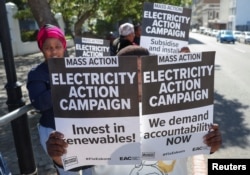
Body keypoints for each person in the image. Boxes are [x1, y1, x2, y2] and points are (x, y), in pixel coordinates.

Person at [46, 45, 222, 175]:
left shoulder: (180, 106)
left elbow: (196, 144)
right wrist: (59, 156)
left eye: (143, 70)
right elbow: (77, 163)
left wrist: (210, 144)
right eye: (130, 71)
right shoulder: (91, 113)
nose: (138, 77)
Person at [26, 24, 92, 175]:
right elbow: (40, 103)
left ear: (64, 47)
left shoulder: (75, 67)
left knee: (90, 167)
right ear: (42, 49)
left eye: (57, 46)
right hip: (54, 132)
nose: (54, 51)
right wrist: (66, 84)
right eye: (48, 48)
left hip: (84, 129)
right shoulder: (37, 73)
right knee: (69, 171)